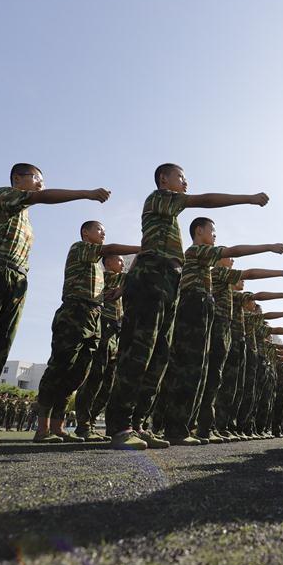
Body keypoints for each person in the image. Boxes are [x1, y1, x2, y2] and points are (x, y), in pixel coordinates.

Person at [0, 163, 111, 446]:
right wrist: (86, 193)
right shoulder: (2, 196)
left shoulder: (25, 219)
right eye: (37, 178)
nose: (40, 184)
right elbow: (41, 197)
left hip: (16, 281)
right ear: (18, 179)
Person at [104, 163, 270, 450]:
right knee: (138, 350)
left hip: (168, 280)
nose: (185, 183)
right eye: (181, 177)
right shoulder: (158, 198)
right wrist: (248, 198)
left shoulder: (169, 221)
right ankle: (120, 425)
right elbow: (203, 200)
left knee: (159, 356)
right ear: (163, 179)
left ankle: (139, 424)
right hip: (153, 276)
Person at [158, 216, 283, 445]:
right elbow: (244, 264)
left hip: (205, 316)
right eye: (213, 231)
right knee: (190, 369)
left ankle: (189, 427)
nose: (228, 257)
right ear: (199, 231)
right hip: (195, 312)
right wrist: (269, 249)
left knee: (203, 372)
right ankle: (177, 428)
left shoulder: (208, 268)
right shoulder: (201, 255)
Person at [34, 222, 140, 443]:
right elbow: (108, 249)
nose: (103, 233)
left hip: (94, 316)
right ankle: (42, 428)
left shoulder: (98, 270)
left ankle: (58, 426)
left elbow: (127, 279)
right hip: (74, 312)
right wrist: (140, 248)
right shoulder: (79, 248)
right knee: (60, 366)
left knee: (77, 374)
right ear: (85, 233)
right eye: (99, 230)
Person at [74, 254, 127, 442]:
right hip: (104, 326)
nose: (122, 264)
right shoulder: (109, 277)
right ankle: (83, 425)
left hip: (115, 330)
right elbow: (135, 277)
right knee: (96, 375)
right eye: (119, 260)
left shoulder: (120, 281)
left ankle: (92, 422)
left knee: (109, 380)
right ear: (108, 262)